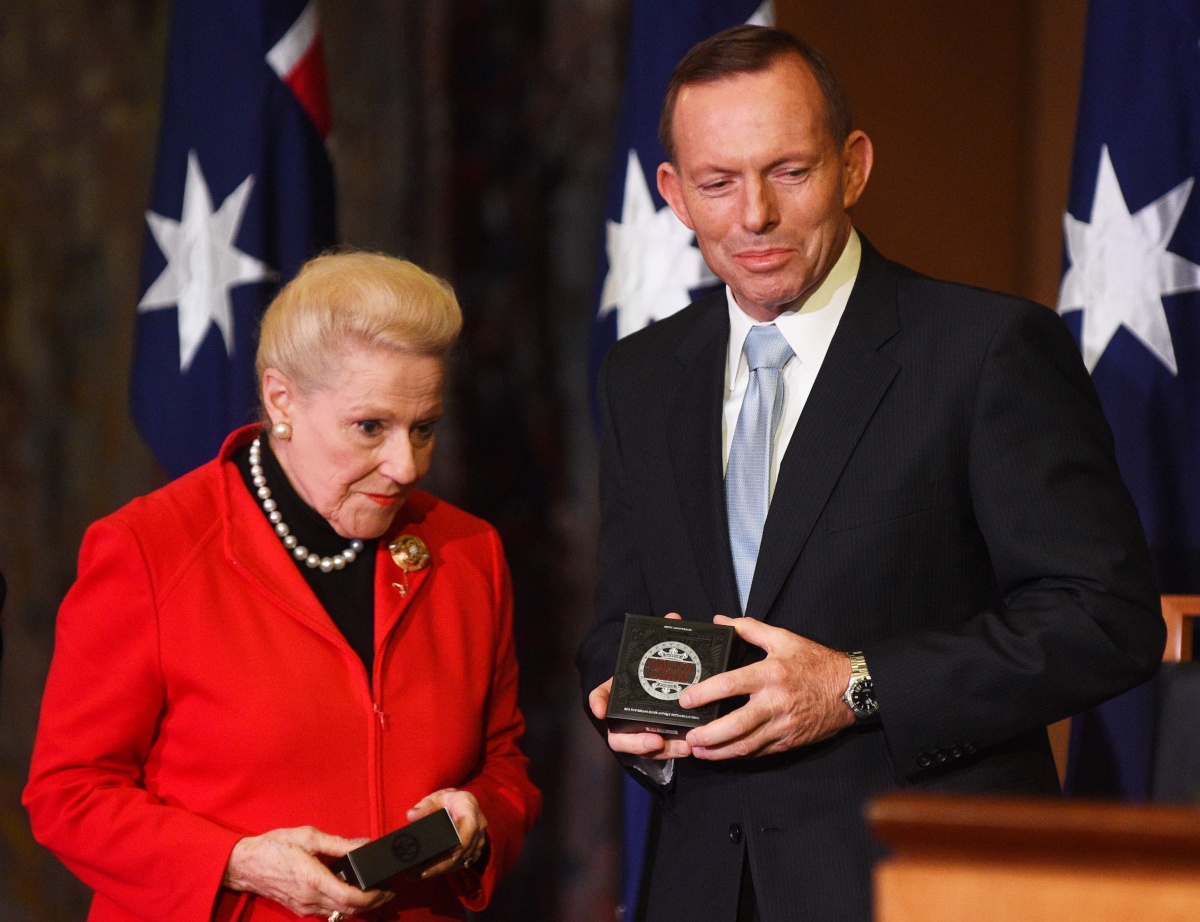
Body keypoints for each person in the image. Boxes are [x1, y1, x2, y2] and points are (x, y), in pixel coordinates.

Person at [576, 25, 1165, 922]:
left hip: (921, 879)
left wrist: (852, 687)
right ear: (674, 195)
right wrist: (629, 705)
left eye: (790, 172)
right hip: (701, 886)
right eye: (718, 182)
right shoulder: (641, 375)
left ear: (853, 166)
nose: (755, 217)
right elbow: (620, 617)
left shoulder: (985, 351)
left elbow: (1105, 618)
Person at [25, 252, 541, 922]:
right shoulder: (150, 550)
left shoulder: (469, 553)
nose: (405, 464)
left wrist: (477, 821)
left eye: (424, 428)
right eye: (370, 427)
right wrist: (235, 860)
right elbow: (69, 794)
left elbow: (504, 766)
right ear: (281, 400)